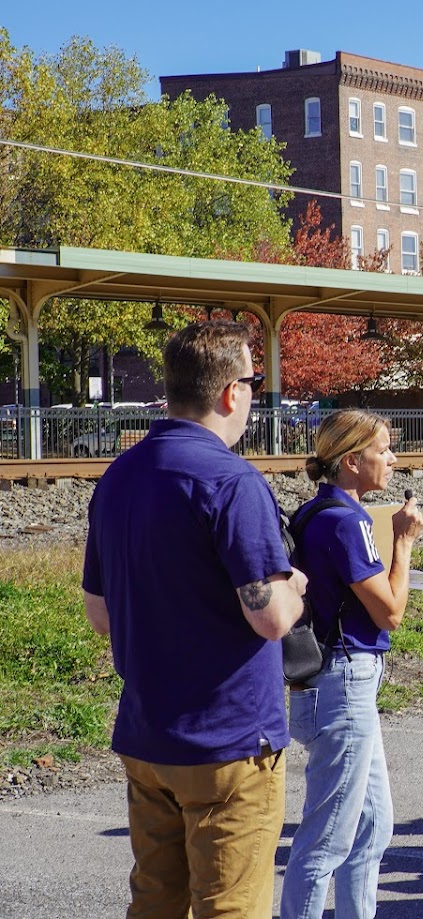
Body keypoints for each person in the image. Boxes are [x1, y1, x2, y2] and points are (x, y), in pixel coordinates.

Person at [80, 320, 307, 918]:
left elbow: (99, 615)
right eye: (254, 381)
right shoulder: (232, 481)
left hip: (148, 735)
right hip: (228, 740)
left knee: (156, 903)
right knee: (230, 907)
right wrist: (298, 588)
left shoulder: (118, 477)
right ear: (232, 391)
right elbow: (271, 617)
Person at [281, 410, 423, 919]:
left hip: (324, 677)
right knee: (326, 838)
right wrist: (403, 543)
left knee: (371, 827)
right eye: (383, 450)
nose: (393, 458)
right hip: (343, 680)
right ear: (351, 461)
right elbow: (389, 612)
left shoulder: (312, 512)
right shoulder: (348, 523)